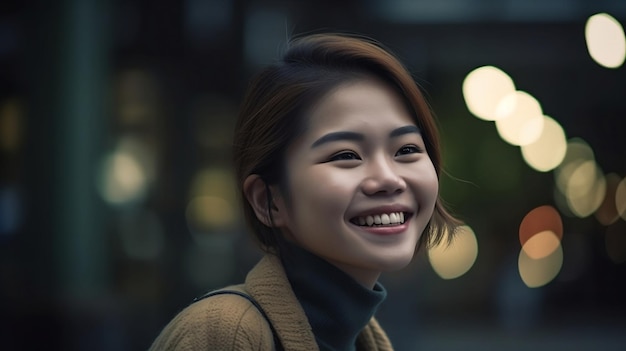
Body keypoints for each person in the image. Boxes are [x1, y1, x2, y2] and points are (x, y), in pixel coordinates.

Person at [150, 33, 461, 351]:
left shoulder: (364, 339)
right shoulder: (223, 334)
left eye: (407, 149)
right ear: (267, 200)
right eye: (346, 155)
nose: (388, 178)